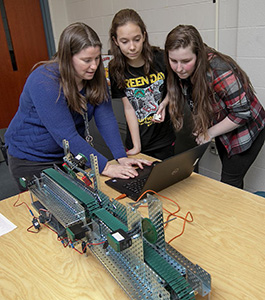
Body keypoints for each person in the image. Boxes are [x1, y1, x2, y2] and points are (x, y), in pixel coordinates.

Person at [5, 22, 151, 192]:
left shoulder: (94, 75)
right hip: (32, 159)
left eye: (97, 58)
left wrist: (120, 157)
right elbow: (66, 135)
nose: (95, 66)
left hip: (68, 156)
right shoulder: (44, 81)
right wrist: (106, 167)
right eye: (86, 60)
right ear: (67, 58)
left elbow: (106, 118)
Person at [164, 24, 265, 189]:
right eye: (173, 61)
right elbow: (180, 88)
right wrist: (164, 103)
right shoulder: (183, 70)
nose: (179, 68)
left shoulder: (220, 70)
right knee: (231, 182)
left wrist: (209, 132)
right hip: (226, 125)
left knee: (229, 184)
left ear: (198, 55)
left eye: (186, 61)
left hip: (247, 129)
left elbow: (242, 113)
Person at [108, 9, 176, 160]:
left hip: (163, 140)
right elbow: (129, 108)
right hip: (137, 141)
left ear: (144, 36)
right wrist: (137, 145)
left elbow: (175, 88)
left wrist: (164, 104)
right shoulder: (115, 68)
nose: (132, 47)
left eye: (137, 39)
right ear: (115, 41)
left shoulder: (160, 58)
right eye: (124, 41)